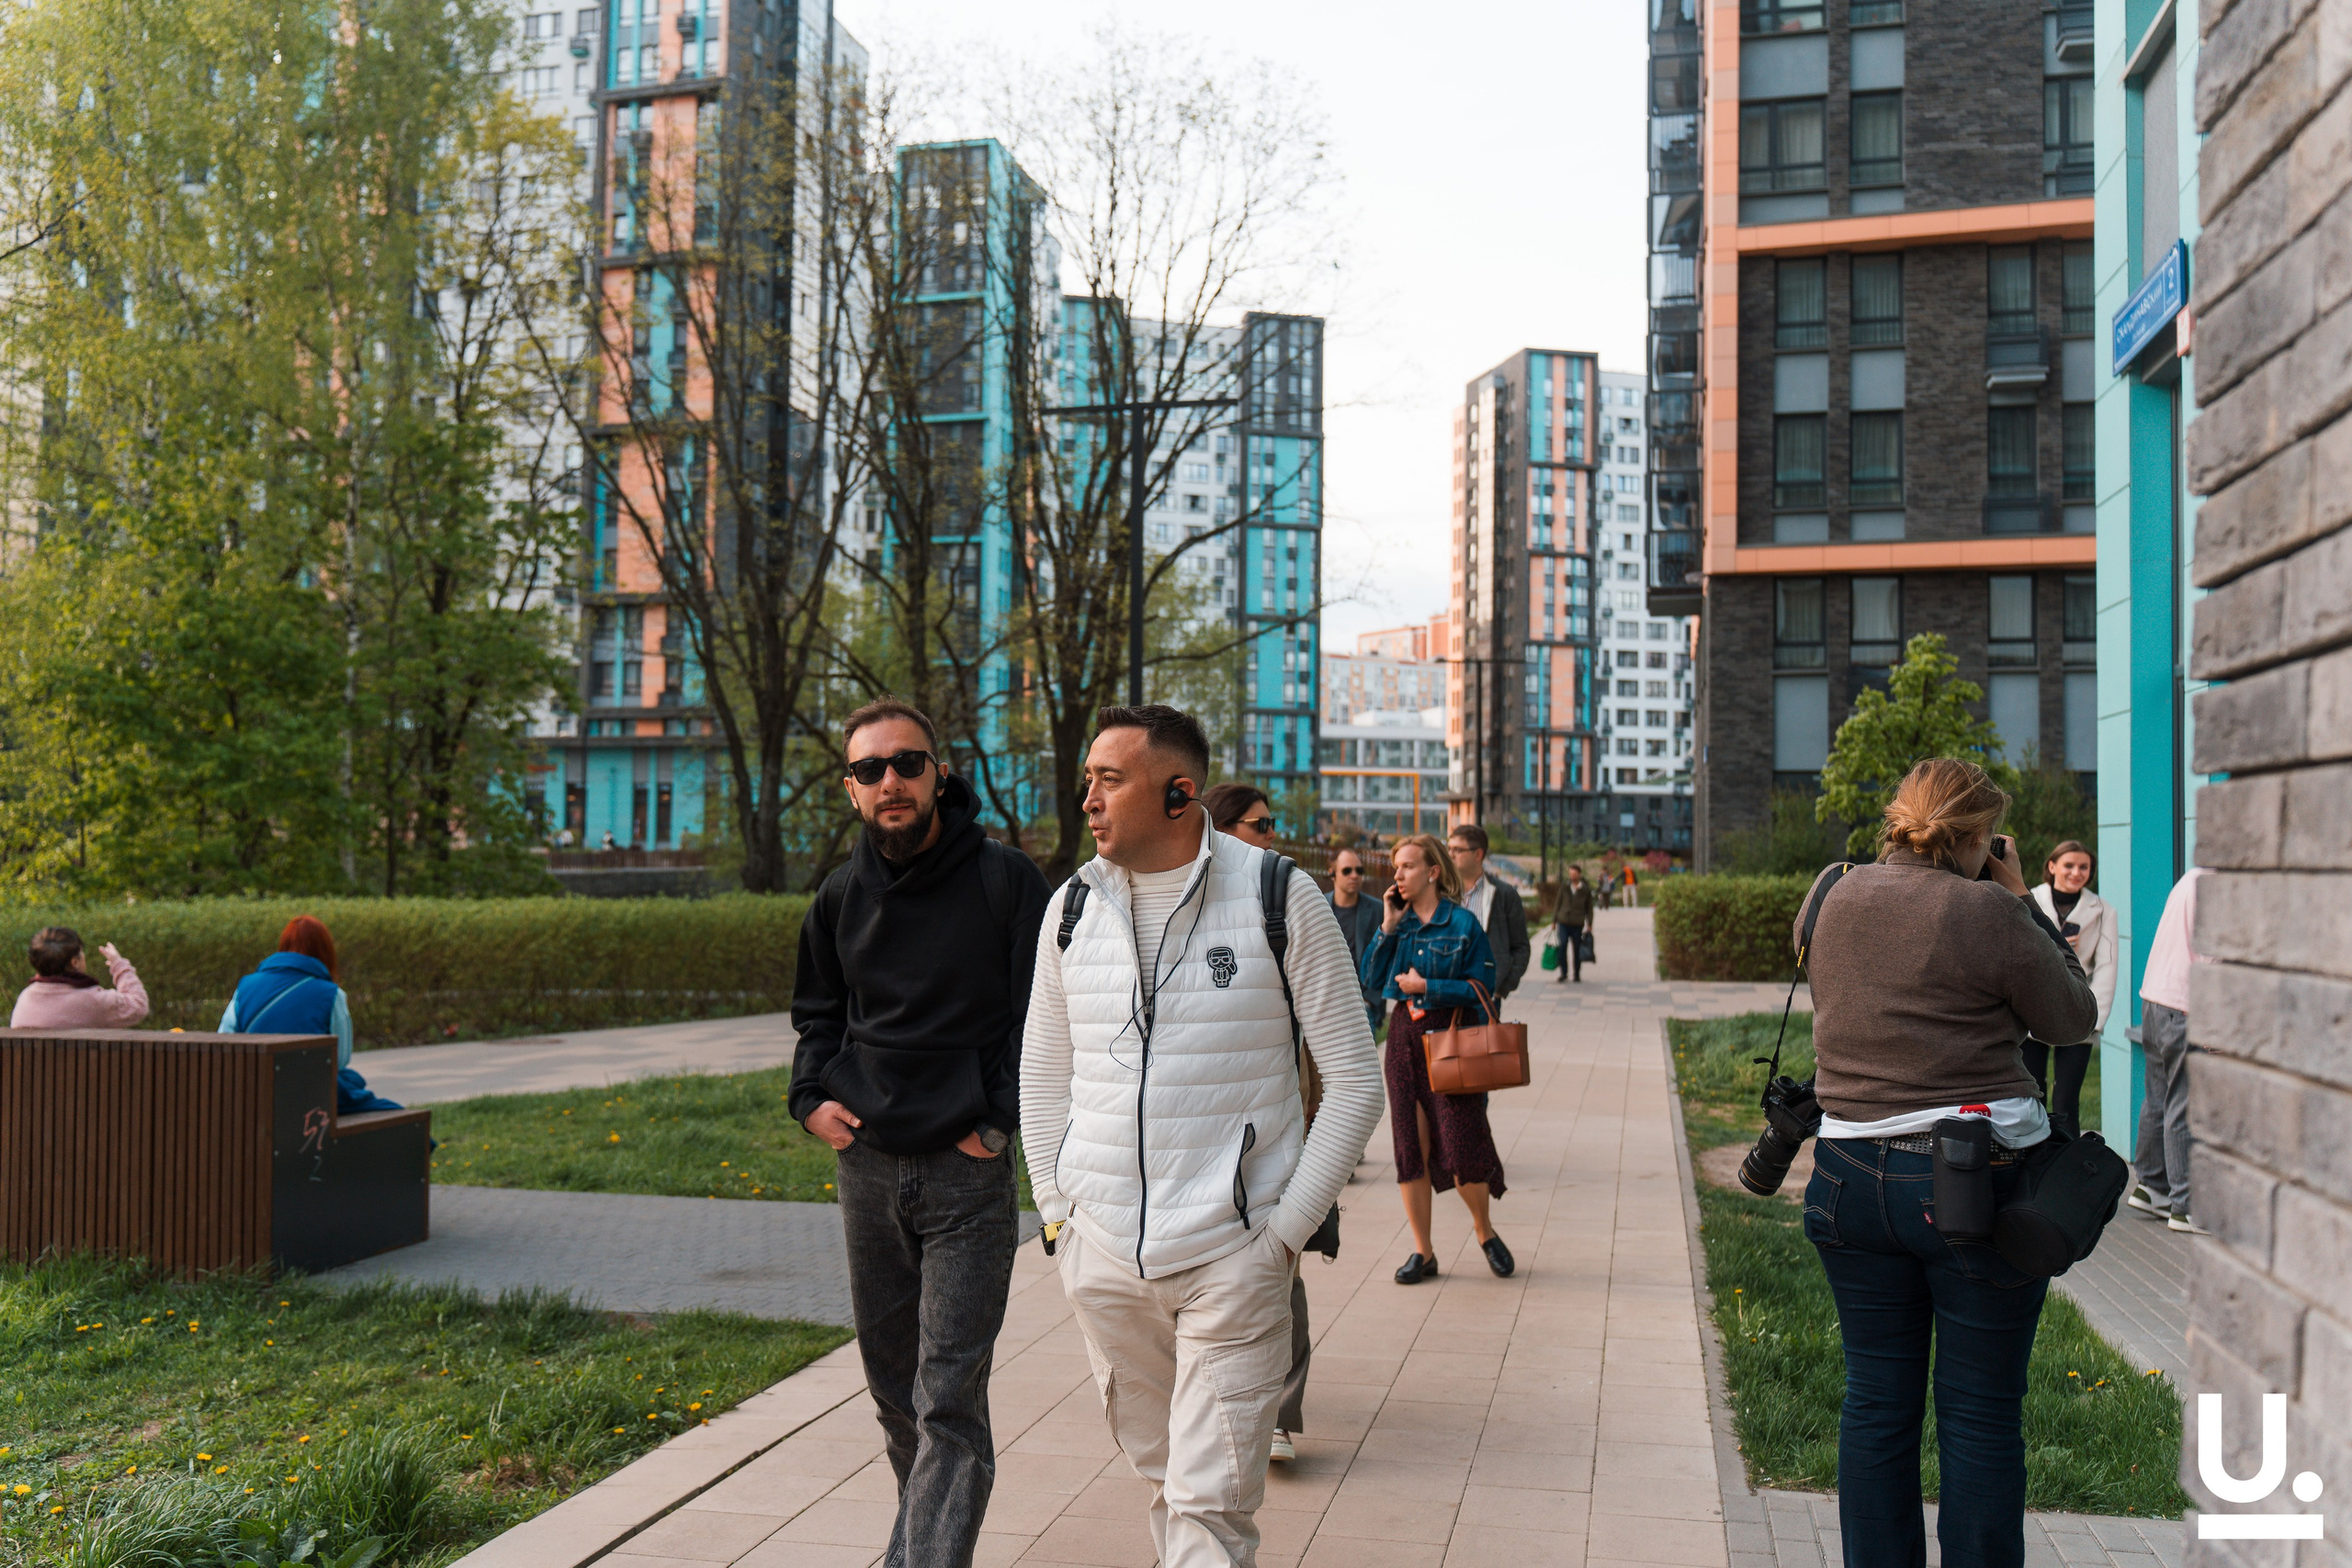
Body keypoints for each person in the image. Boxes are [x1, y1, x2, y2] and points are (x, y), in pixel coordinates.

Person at [1021, 705, 1381, 1568]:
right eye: (1088, 780)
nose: (1088, 799)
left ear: (1179, 793)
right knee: (1168, 1479)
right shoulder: (1071, 907)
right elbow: (1042, 1073)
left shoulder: (1276, 893)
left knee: (1207, 1506)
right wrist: (1060, 1217)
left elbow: (1355, 1082)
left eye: (1110, 780)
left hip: (1234, 1257)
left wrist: (1281, 1238)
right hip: (1104, 1257)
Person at [1797, 759, 2096, 1568]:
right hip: (1974, 1182)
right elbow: (2073, 1016)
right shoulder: (1990, 910)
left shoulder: (1832, 890)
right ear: (1974, 836)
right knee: (1981, 1414)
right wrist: (2020, 896)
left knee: (1875, 1405)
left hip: (1847, 1176)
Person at [789, 697, 1050, 1568]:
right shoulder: (839, 895)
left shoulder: (1005, 879)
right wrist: (810, 1100)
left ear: (941, 773)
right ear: (851, 788)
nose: (890, 781)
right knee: (895, 1393)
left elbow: (1041, 1017)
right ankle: (932, 1542)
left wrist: (997, 1120)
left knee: (948, 1399)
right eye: (870, 769)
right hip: (866, 1166)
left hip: (967, 1172)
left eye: (907, 763)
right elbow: (818, 1015)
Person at [1362, 832, 1511, 1284]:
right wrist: (1388, 926)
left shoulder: (1462, 923)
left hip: (1450, 1039)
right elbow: (1370, 977)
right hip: (1404, 1040)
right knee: (1410, 1147)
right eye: (1396, 867)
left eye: (1407, 866)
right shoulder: (1399, 923)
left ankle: (1484, 1231)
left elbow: (1483, 986)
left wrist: (1429, 987)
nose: (1398, 875)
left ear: (1432, 871)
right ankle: (1423, 1251)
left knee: (1462, 1142)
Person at [220, 917, 401, 1115]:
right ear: (325, 953)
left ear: (283, 947)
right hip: (307, 1097)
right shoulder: (331, 994)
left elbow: (224, 1038)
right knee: (352, 1082)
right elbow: (340, 1059)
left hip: (251, 1093)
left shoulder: (245, 987)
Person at [2127, 867, 2208, 1235]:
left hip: (2156, 999)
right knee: (2184, 1103)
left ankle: (2152, 1187)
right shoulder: (2218, 887)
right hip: (2187, 1006)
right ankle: (2187, 1207)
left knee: (2159, 1098)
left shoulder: (2191, 878)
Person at [2021, 840, 2117, 1141]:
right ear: (2052, 867)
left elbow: (2107, 966)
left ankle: (2068, 1162)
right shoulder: (2027, 899)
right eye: (2069, 865)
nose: (2076, 873)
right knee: (2031, 1094)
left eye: (2084, 867)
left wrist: (2095, 1018)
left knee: (2066, 1099)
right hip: (2032, 1008)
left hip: (2077, 1007)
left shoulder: (2103, 910)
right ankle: (2032, 1158)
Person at [1447, 824, 1530, 1000]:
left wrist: (1501, 988)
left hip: (1485, 996)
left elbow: (1520, 947)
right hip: (1445, 994)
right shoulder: (1441, 893)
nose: (1450, 855)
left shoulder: (1504, 894)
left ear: (1478, 854)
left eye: (1457, 850)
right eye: (1449, 848)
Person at [10, 928, 149, 1030]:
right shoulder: (93, 1000)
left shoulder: (25, 998)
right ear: (74, 962)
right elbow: (138, 1005)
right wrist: (120, 965)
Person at [1326, 848, 1385, 1025]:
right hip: (1327, 1006)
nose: (1354, 875)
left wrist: (1371, 998)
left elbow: (1386, 956)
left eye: (1359, 870)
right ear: (1332, 873)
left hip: (1363, 1008)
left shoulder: (1378, 909)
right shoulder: (1319, 906)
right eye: (1347, 870)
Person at [1553, 863, 1597, 984]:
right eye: (1570, 873)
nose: (1572, 876)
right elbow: (1557, 903)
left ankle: (1577, 974)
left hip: (1577, 923)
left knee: (1576, 948)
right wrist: (1554, 921)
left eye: (1574, 874)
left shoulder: (1585, 889)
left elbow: (1589, 908)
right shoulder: (1564, 887)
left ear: (1579, 874)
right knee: (1563, 946)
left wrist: (1590, 924)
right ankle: (1563, 973)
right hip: (1563, 921)